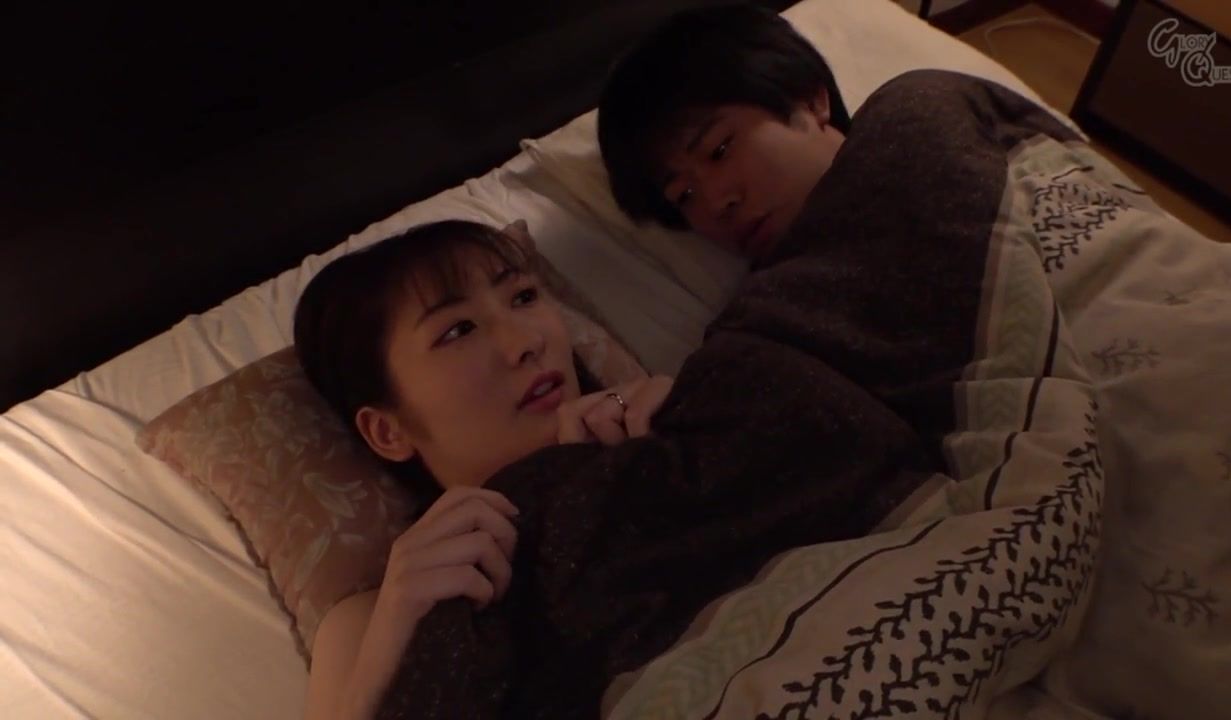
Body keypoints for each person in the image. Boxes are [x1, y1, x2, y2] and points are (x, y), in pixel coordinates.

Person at [291, 219, 673, 720]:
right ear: (388, 431)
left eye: (523, 297)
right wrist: (386, 657)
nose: (526, 342)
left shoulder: (664, 430)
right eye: (458, 330)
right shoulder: (376, 619)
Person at [597, 3, 850, 269]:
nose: (715, 204)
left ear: (810, 99)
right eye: (685, 195)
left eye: (719, 151)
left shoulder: (884, 133)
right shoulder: (780, 292)